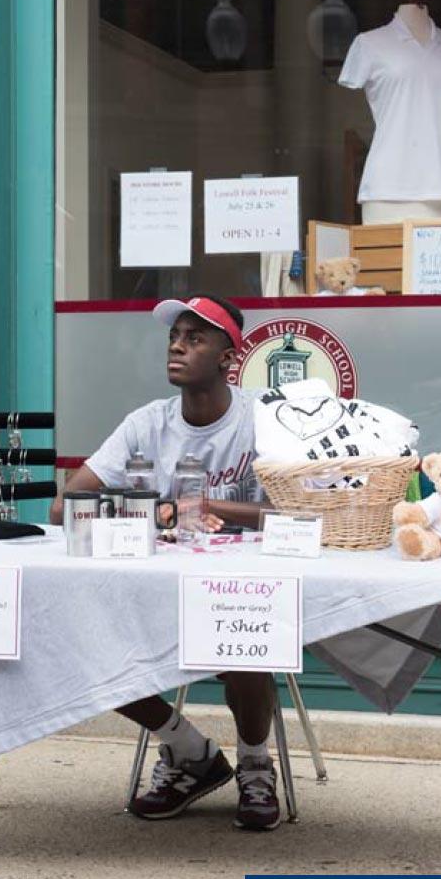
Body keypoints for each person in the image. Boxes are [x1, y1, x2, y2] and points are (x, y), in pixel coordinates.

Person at [50, 293, 281, 830]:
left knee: (246, 637)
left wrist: (211, 506)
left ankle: (253, 763)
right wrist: (159, 511)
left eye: (194, 338)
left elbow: (293, 514)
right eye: (174, 337)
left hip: (238, 590)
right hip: (148, 590)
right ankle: (188, 750)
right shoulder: (146, 424)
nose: (177, 346)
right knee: (81, 641)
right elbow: (64, 506)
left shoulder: (262, 421)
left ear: (228, 357)